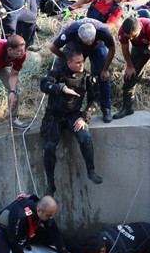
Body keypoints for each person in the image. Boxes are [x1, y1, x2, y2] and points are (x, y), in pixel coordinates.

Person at [40, 45, 103, 195]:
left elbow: (95, 99)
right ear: (69, 63)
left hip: (73, 115)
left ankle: (91, 171)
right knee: (49, 147)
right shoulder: (57, 72)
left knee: (85, 138)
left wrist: (85, 117)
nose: (82, 65)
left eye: (82, 61)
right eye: (78, 63)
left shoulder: (87, 77)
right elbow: (43, 85)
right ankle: (50, 183)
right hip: (54, 116)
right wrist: (61, 89)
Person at [49, 19, 116, 122]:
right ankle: (66, 108)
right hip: (76, 47)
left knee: (103, 76)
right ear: (80, 36)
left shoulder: (103, 31)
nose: (89, 43)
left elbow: (112, 48)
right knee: (67, 73)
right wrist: (67, 60)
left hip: (97, 48)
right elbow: (53, 47)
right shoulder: (71, 31)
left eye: (91, 40)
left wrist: (105, 69)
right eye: (87, 41)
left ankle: (106, 108)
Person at [112, 16, 150, 125]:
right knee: (130, 76)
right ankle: (127, 108)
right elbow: (125, 50)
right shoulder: (123, 32)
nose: (131, 39)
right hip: (140, 48)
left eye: (133, 36)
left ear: (139, 28)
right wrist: (130, 66)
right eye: (128, 37)